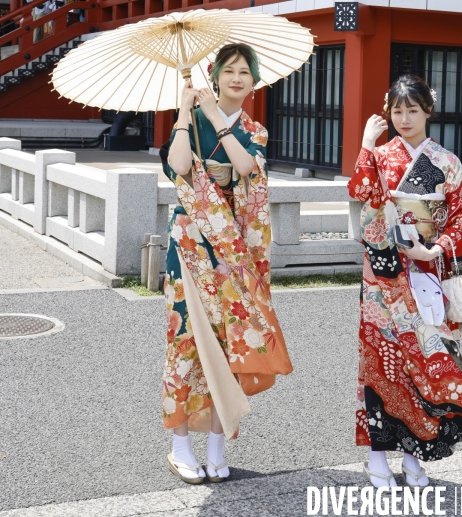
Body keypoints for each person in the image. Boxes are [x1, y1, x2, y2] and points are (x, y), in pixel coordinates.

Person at [159, 43, 293, 485]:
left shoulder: (254, 129)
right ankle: (180, 446)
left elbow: (248, 169)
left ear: (254, 82)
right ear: (214, 75)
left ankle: (217, 446)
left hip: (232, 253)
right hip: (190, 249)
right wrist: (184, 111)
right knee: (184, 344)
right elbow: (179, 167)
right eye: (229, 70)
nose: (237, 78)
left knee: (228, 347)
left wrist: (217, 119)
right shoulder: (189, 119)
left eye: (245, 72)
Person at [348, 74, 462, 488]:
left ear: (428, 111)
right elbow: (361, 191)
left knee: (425, 362)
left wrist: (435, 248)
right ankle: (376, 456)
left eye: (413, 110)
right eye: (397, 110)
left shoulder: (446, 161)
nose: (404, 118)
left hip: (429, 270)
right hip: (384, 274)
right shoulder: (381, 155)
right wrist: (367, 144)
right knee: (383, 362)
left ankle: (415, 457)